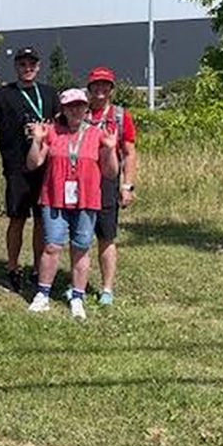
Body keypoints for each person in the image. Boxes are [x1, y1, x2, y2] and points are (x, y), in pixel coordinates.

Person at [26, 88, 119, 320]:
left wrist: (109, 149)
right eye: (70, 106)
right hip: (54, 197)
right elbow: (33, 163)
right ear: (63, 109)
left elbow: (110, 172)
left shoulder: (98, 134)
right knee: (52, 246)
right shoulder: (52, 132)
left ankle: (78, 296)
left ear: (86, 107)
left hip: (87, 199)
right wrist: (36, 141)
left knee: (81, 248)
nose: (75, 110)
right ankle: (43, 294)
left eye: (79, 105)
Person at [0, 46, 59, 292]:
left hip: (45, 165)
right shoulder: (3, 94)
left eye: (31, 64)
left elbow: (61, 124)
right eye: (22, 64)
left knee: (41, 221)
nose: (27, 68)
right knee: (17, 219)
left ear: (38, 66)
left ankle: (37, 268)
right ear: (16, 67)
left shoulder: (49, 93)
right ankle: (12, 267)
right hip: (16, 167)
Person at [85, 66, 138, 306]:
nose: (100, 89)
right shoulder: (78, 112)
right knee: (81, 237)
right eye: (96, 84)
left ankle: (106, 288)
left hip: (107, 180)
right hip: (81, 181)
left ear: (111, 89)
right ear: (89, 88)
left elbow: (129, 152)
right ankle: (78, 284)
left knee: (106, 236)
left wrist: (127, 185)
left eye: (105, 85)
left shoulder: (119, 115)